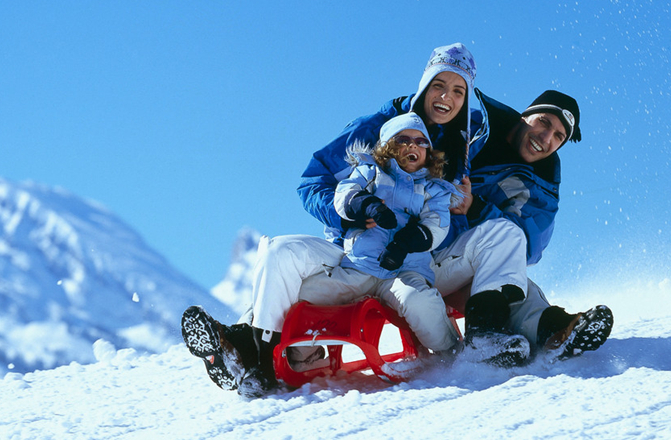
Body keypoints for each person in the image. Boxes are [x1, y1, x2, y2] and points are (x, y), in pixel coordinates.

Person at [181, 43, 480, 398]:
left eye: (458, 90)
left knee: (419, 298)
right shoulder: (372, 133)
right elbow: (315, 183)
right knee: (279, 256)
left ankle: (244, 347)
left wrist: (452, 219)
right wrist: (352, 215)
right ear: (423, 86)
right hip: (351, 253)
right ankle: (252, 350)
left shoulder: (459, 145)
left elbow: (441, 218)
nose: (446, 97)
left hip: (409, 266)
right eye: (438, 85)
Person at [431, 89, 613, 366]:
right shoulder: (471, 128)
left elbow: (528, 245)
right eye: (544, 122)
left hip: (459, 268)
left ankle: (554, 330)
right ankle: (483, 338)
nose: (546, 138)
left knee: (513, 280)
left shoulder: (541, 185)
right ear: (525, 116)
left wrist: (475, 208)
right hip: (416, 257)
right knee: (504, 238)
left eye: (559, 136)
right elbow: (406, 134)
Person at [298, 112, 463, 358]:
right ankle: (302, 355)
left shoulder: (433, 189)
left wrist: (405, 243)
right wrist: (367, 204)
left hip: (404, 271)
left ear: (428, 152)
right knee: (304, 294)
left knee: (419, 301)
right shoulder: (370, 172)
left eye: (421, 142)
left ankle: (451, 354)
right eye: (403, 140)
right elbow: (345, 194)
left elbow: (437, 224)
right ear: (387, 147)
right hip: (358, 267)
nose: (412, 146)